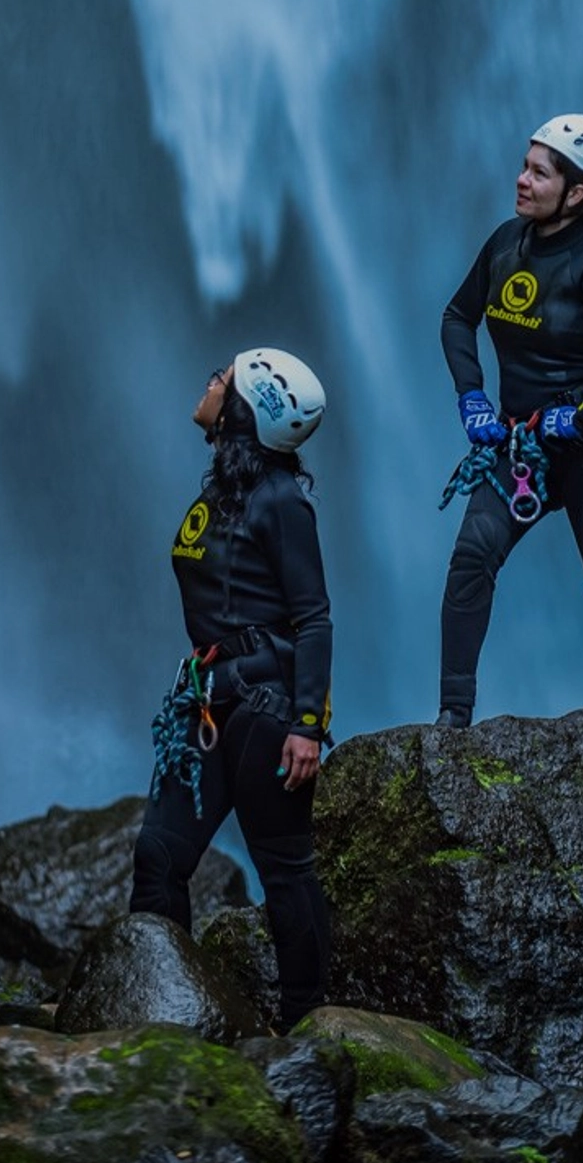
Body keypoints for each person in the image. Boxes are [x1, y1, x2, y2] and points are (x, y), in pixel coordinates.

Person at [436, 115, 583, 728]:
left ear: (578, 192)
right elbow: (458, 317)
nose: (521, 179)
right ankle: (453, 720)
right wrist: (472, 397)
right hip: (521, 445)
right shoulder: (506, 242)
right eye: (525, 164)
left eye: (538, 172)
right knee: (471, 558)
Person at [130, 347, 332, 1030]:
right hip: (206, 699)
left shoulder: (280, 502)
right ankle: (164, 1013)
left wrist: (307, 725)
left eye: (226, 377)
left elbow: (314, 617)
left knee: (285, 874)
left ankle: (308, 1028)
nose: (211, 379)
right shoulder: (225, 485)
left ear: (247, 409)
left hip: (264, 709)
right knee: (158, 855)